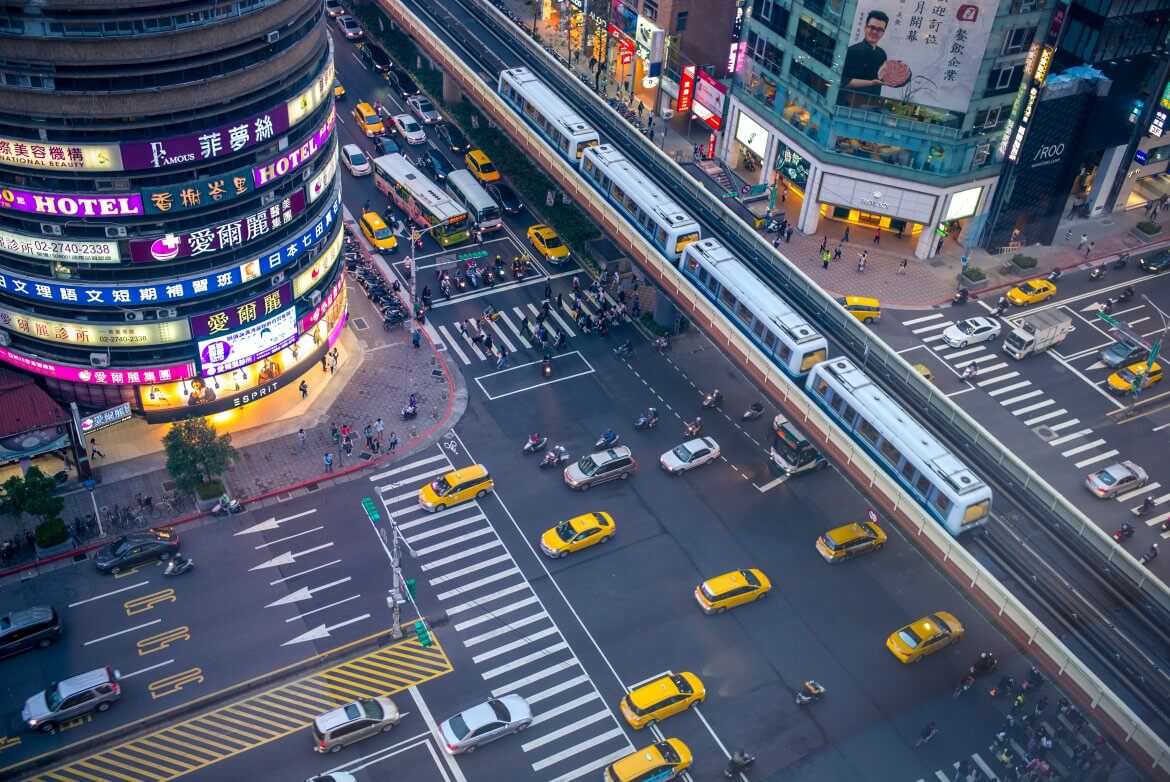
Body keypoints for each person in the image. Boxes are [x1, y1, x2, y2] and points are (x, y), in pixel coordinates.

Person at [839, 10, 889, 104]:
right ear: (865, 27)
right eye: (872, 27)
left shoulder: (882, 54)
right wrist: (871, 83)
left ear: (883, 32)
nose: (874, 32)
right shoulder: (852, 51)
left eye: (879, 29)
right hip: (848, 102)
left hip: (872, 104)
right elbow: (842, 81)